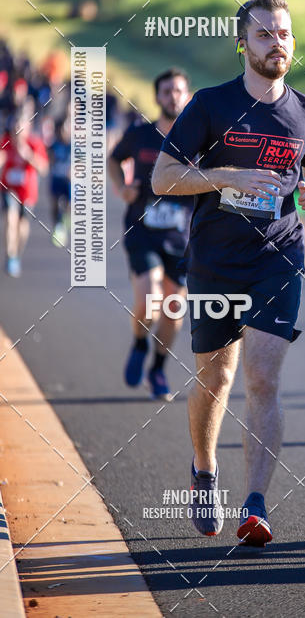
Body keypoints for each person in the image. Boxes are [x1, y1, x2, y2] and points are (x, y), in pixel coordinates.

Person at [152, 0, 305, 546]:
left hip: (278, 257)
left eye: (284, 33)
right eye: (263, 34)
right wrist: (226, 176)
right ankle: (204, 468)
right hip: (215, 259)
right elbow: (163, 177)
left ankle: (255, 504)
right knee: (216, 377)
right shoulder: (211, 104)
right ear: (242, 44)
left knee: (263, 378)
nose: (277, 43)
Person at [108, 69, 193, 400]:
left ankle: (157, 368)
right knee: (148, 300)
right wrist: (121, 187)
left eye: (179, 90)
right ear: (157, 97)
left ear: (187, 96)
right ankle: (140, 342)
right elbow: (114, 160)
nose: (173, 96)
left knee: (173, 310)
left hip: (182, 238)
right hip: (142, 230)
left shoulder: (198, 140)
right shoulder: (140, 134)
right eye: (167, 91)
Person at [0, 102, 48, 276]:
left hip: (27, 192)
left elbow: (44, 168)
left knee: (22, 226)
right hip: (9, 188)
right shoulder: (6, 142)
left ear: (27, 128)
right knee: (10, 218)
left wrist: (29, 156)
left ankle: (17, 254)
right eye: (15, 128)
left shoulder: (34, 144)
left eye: (21, 128)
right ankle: (10, 255)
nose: (18, 132)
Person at [49, 116, 71, 247]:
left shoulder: (74, 145)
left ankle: (64, 220)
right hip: (57, 178)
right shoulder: (54, 145)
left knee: (69, 204)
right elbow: (49, 159)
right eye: (62, 129)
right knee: (55, 204)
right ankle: (57, 224)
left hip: (69, 181)